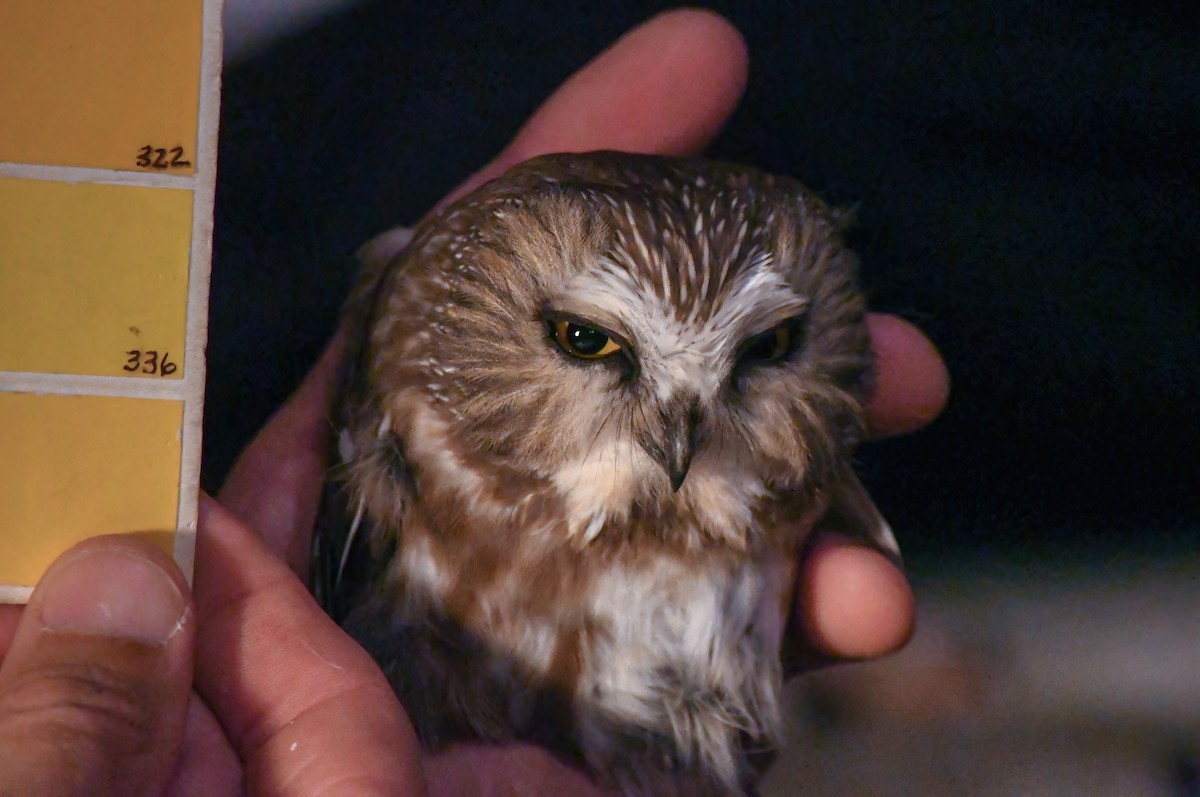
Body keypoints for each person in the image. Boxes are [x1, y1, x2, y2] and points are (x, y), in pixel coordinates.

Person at [0, 10, 948, 795]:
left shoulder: (777, 466)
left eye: (766, 348)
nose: (680, 431)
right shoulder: (424, 408)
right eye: (589, 343)